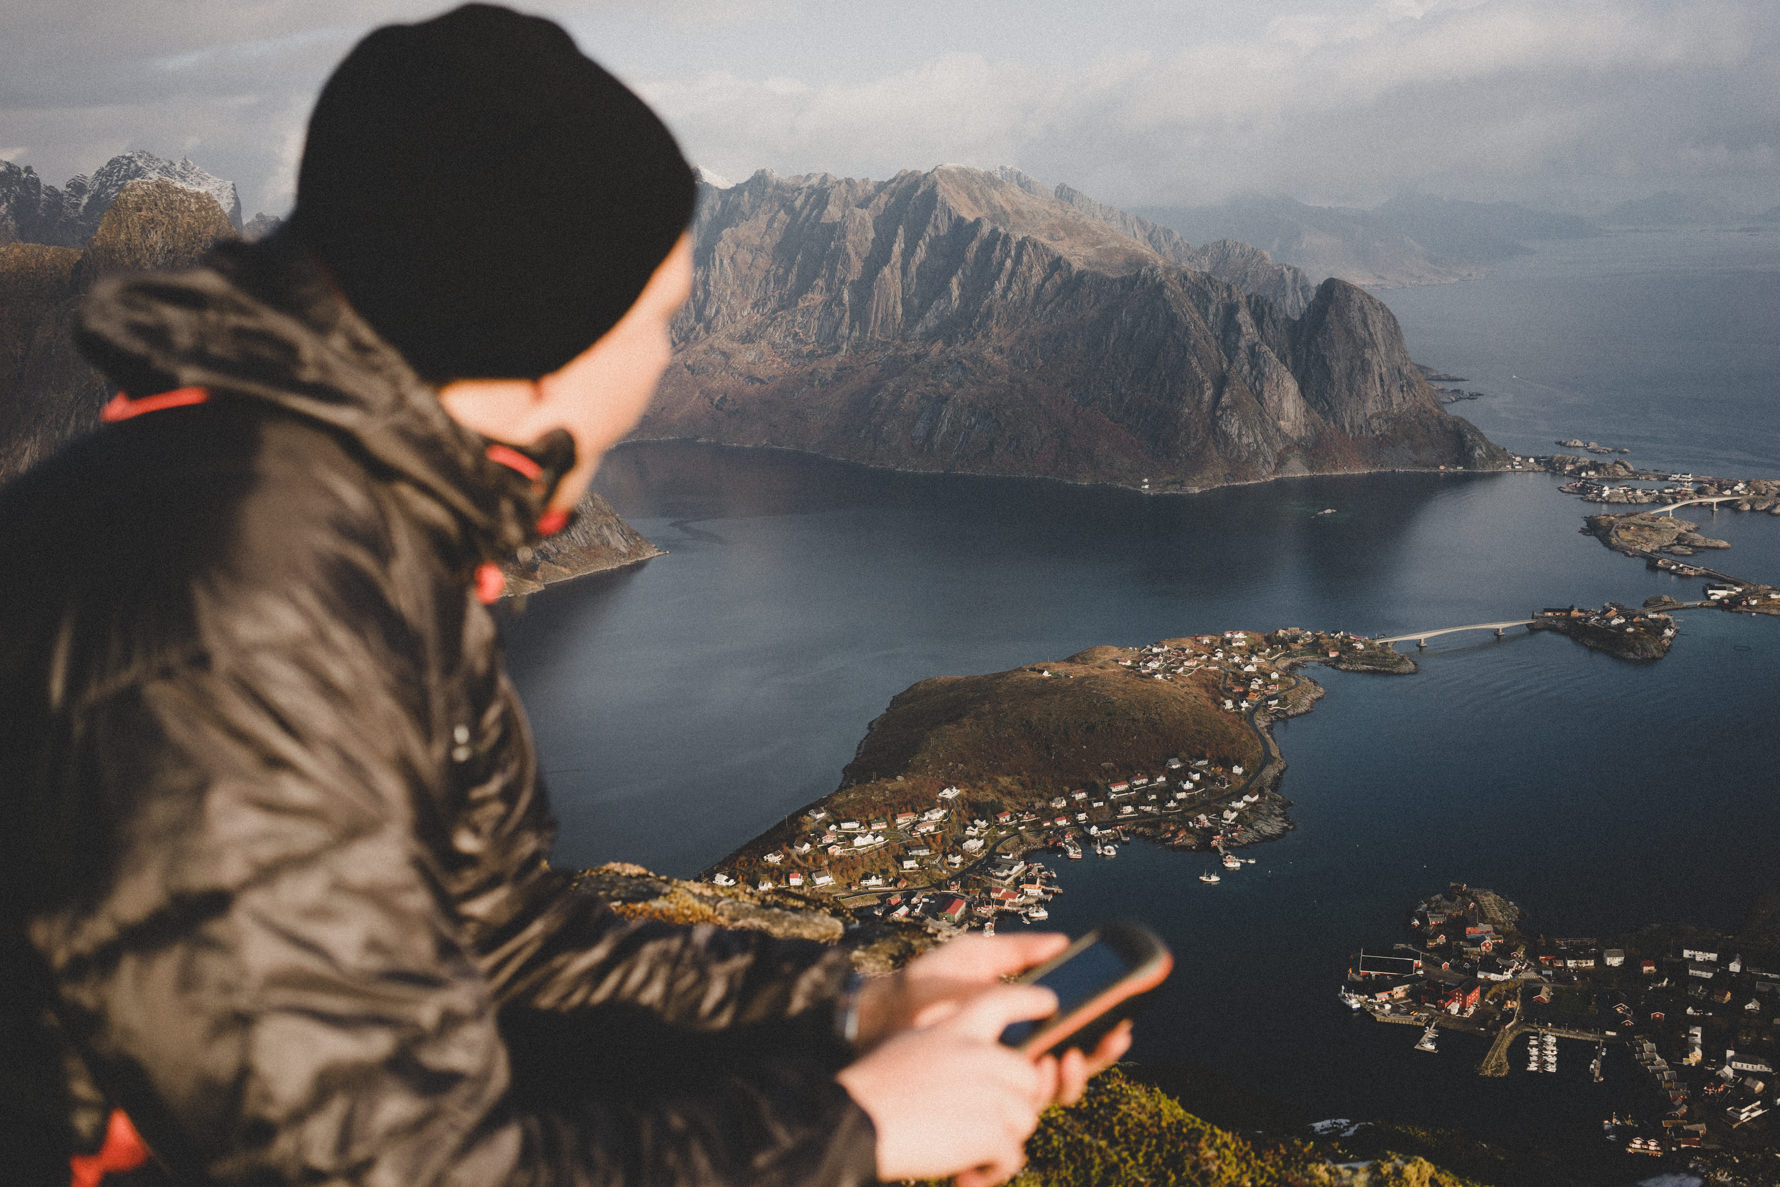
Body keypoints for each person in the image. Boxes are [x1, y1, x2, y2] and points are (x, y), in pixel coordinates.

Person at [0, 6, 1128, 1186]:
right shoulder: (238, 611)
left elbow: (500, 948)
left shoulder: (336, 520)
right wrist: (853, 1134)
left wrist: (852, 1016)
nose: (665, 361)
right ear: (544, 329)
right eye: (658, 318)